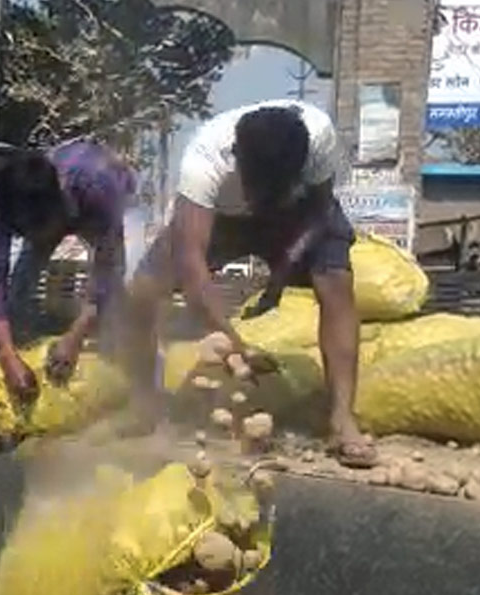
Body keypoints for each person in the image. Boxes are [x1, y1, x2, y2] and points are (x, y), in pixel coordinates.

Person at [123, 99, 378, 468]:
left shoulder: (319, 135)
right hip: (225, 220)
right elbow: (192, 267)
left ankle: (342, 418)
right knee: (142, 293)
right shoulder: (205, 160)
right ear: (237, 159)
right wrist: (237, 344)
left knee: (336, 281)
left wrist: (285, 268)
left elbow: (321, 211)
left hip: (298, 215)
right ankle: (145, 402)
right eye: (256, 186)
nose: (260, 198)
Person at [0, 141, 142, 396]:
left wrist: (77, 333)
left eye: (35, 231)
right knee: (15, 289)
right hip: (60, 206)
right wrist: (6, 352)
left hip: (113, 203)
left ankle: (130, 383)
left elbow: (109, 268)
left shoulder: (98, 187)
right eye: (22, 231)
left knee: (129, 285)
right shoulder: (3, 200)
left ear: (57, 208)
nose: (33, 239)